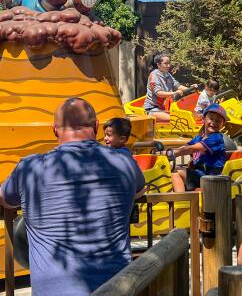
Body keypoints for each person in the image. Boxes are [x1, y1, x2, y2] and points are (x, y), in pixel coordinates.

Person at [0, 98, 145, 296]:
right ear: (96, 126)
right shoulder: (124, 162)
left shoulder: (29, 168)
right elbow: (139, 190)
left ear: (54, 129)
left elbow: (5, 199)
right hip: (116, 288)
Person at [171, 103, 227, 192]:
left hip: (210, 178)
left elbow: (192, 149)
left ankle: (181, 201)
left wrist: (171, 153)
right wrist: (164, 152)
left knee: (175, 172)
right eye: (211, 118)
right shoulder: (199, 138)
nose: (214, 122)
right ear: (204, 119)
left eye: (218, 121)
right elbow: (185, 147)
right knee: (172, 168)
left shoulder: (216, 138)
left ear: (223, 124)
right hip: (199, 175)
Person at [144, 53, 197, 121]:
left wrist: (190, 89)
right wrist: (174, 93)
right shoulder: (154, 75)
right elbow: (158, 93)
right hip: (153, 109)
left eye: (169, 63)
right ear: (158, 64)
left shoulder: (167, 74)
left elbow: (178, 86)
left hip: (166, 107)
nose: (168, 66)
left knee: (187, 114)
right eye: (165, 63)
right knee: (175, 120)